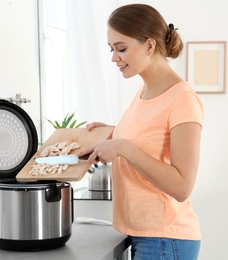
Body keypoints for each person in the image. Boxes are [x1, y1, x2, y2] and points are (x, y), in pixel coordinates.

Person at [78, 4, 203, 260]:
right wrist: (111, 133)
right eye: (111, 49)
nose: (114, 57)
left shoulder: (182, 99)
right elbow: (150, 139)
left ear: (149, 45)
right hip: (146, 235)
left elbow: (182, 186)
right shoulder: (144, 92)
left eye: (121, 48)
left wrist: (123, 146)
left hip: (165, 239)